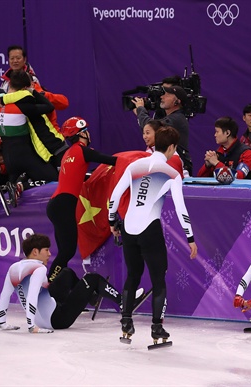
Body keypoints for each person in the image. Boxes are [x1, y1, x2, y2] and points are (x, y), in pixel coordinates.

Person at [108, 125, 197, 343]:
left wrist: (112, 220)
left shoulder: (134, 165)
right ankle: (157, 328)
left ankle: (126, 323)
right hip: (150, 230)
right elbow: (180, 208)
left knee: (132, 276)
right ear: (173, 147)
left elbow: (115, 196)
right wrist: (190, 238)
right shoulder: (172, 173)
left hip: (129, 228)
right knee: (158, 280)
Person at [0, 233, 122, 333]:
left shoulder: (14, 267)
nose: (49, 254)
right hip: (58, 319)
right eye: (46, 250)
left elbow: (5, 295)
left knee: (66, 273)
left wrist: (2, 323)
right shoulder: (39, 269)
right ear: (35, 252)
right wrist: (31, 327)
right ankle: (124, 303)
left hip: (42, 319)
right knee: (92, 278)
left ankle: (92, 297)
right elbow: (32, 297)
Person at [46, 117, 118, 282]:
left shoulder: (68, 153)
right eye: (86, 131)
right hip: (64, 205)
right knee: (67, 252)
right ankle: (49, 286)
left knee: (65, 251)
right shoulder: (82, 150)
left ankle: (68, 289)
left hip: (56, 204)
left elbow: (75, 175)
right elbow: (112, 160)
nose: (89, 133)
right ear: (81, 134)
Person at [133, 83, 192, 176]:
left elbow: (152, 127)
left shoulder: (177, 118)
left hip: (179, 169)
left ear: (177, 101)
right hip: (169, 165)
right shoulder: (172, 117)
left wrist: (141, 109)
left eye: (167, 95)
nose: (162, 97)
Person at [197, 117, 251, 182]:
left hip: (241, 191)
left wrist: (216, 163)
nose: (215, 135)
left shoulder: (246, 153)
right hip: (218, 191)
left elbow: (238, 177)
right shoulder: (218, 153)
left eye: (217, 132)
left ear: (227, 133)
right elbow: (200, 179)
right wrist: (207, 166)